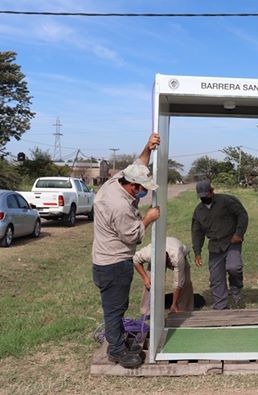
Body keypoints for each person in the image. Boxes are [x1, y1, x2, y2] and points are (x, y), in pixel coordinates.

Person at [92, 133, 161, 369]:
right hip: (113, 264)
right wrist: (149, 218)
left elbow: (139, 163)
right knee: (114, 309)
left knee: (118, 306)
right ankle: (117, 351)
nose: (145, 193)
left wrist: (148, 147)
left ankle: (119, 341)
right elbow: (133, 235)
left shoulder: (118, 180)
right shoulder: (118, 205)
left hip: (109, 262)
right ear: (132, 186)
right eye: (143, 189)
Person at [191, 180, 248, 310]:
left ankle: (236, 290)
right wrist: (197, 252)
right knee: (216, 278)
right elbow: (197, 233)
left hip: (231, 242)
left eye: (206, 195)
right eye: (201, 197)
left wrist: (239, 233)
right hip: (215, 247)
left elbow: (242, 215)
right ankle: (221, 307)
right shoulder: (198, 211)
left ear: (212, 191)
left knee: (234, 267)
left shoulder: (226, 201)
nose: (204, 198)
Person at [133, 237, 195, 314]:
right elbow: (135, 260)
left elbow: (178, 283)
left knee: (185, 281)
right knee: (150, 282)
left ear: (167, 258)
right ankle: (147, 311)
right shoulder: (148, 253)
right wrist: (145, 278)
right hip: (159, 254)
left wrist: (174, 303)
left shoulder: (177, 257)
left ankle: (183, 309)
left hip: (177, 251)